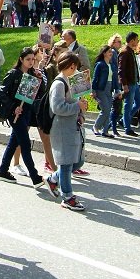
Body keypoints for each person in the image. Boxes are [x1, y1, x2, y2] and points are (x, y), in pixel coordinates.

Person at [0, 47, 48, 189]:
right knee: (25, 144)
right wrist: (13, 107)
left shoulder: (33, 74)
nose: (31, 62)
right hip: (15, 114)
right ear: (21, 59)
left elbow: (39, 93)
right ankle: (35, 177)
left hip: (26, 113)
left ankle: (2, 171)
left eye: (32, 59)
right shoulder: (13, 74)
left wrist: (39, 80)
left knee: (13, 142)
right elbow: (2, 93)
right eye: (28, 59)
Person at [45, 52, 88, 211]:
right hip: (62, 128)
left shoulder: (70, 81)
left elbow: (76, 102)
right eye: (75, 66)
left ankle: (52, 179)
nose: (76, 69)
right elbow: (57, 107)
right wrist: (77, 107)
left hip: (73, 127)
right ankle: (67, 196)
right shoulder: (59, 84)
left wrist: (81, 111)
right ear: (70, 66)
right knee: (65, 163)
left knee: (77, 161)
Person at [117, 31, 140, 136]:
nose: (137, 42)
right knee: (128, 105)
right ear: (132, 41)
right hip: (129, 83)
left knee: (139, 102)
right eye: (136, 40)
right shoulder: (125, 52)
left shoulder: (131, 51)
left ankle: (123, 120)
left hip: (135, 82)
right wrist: (124, 84)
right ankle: (127, 128)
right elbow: (121, 70)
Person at [91, 45, 118, 138]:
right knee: (105, 109)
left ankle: (105, 131)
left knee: (109, 109)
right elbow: (95, 78)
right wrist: (93, 90)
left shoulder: (112, 65)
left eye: (111, 51)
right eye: (109, 51)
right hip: (101, 89)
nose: (111, 53)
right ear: (104, 53)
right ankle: (96, 126)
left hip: (109, 89)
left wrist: (117, 89)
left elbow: (115, 79)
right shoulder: (100, 65)